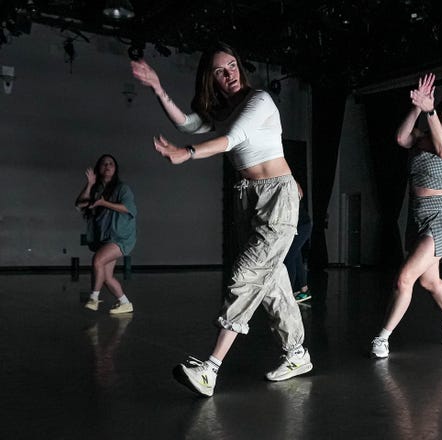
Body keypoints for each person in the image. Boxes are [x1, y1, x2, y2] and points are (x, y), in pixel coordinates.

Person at [131, 42, 312, 397]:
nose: (228, 74)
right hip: (248, 198)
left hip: (277, 197)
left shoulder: (259, 100)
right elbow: (188, 123)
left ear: (240, 67)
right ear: (211, 78)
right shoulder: (226, 110)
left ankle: (209, 369)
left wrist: (187, 154)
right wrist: (157, 88)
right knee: (272, 284)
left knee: (245, 277)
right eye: (219, 70)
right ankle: (297, 353)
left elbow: (233, 140)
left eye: (231, 65)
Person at [371, 73, 442, 359]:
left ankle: (382, 338)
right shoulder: (419, 138)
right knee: (429, 281)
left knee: (405, 279)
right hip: (416, 214)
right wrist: (418, 107)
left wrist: (429, 111)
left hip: (441, 216)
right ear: (440, 109)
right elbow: (401, 137)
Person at [75, 154, 137, 315]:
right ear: (99, 168)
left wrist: (104, 203)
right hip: (106, 236)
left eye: (111, 164)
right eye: (104, 164)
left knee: (98, 260)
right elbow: (80, 204)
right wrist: (89, 185)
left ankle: (94, 298)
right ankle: (125, 303)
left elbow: (127, 208)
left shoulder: (122, 188)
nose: (107, 166)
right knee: (107, 278)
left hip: (121, 236)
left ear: (115, 169)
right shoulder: (97, 189)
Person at [283, 182, 313, 303]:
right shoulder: (287, 184)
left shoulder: (287, 184)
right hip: (299, 226)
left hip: (301, 226)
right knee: (296, 257)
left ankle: (288, 294)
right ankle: (304, 290)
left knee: (289, 257)